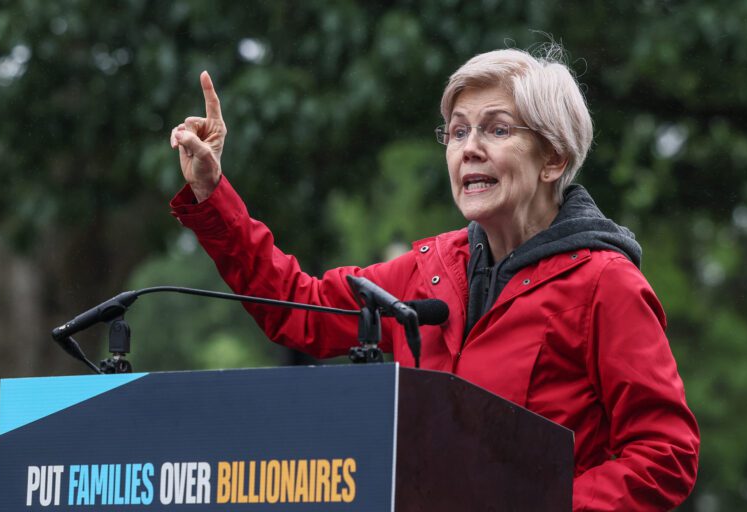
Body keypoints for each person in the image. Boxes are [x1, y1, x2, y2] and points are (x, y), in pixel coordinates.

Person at [169, 46, 699, 511]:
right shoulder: (427, 270)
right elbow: (296, 306)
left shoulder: (606, 283)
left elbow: (665, 453)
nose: (469, 148)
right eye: (458, 131)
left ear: (553, 159)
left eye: (496, 129)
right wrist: (211, 195)